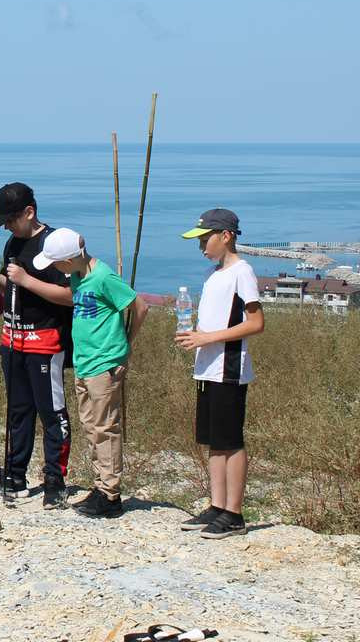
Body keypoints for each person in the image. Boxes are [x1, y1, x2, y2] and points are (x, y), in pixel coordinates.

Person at [32, 228, 149, 518]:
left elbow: (140, 306)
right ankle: (101, 485)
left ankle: (110, 495)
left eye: (57, 263)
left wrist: (126, 342)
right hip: (84, 360)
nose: (57, 270)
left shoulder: (104, 276)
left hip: (105, 362)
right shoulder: (77, 276)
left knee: (105, 427)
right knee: (91, 426)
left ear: (71, 259)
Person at [0, 182, 73, 508]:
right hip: (12, 338)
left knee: (52, 412)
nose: (6, 227)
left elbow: (71, 296)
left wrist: (27, 280)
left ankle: (55, 482)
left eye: (10, 220)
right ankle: (14, 475)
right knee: (18, 411)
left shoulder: (54, 244)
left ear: (30, 212)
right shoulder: (13, 244)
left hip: (45, 339)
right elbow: (9, 287)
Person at [176, 209, 264, 539]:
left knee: (231, 440)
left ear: (225, 236)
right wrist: (194, 334)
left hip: (228, 368)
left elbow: (256, 323)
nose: (201, 246)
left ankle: (234, 513)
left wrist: (207, 338)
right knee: (213, 440)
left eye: (205, 239)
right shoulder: (214, 274)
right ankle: (217, 505)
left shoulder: (243, 272)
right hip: (207, 367)